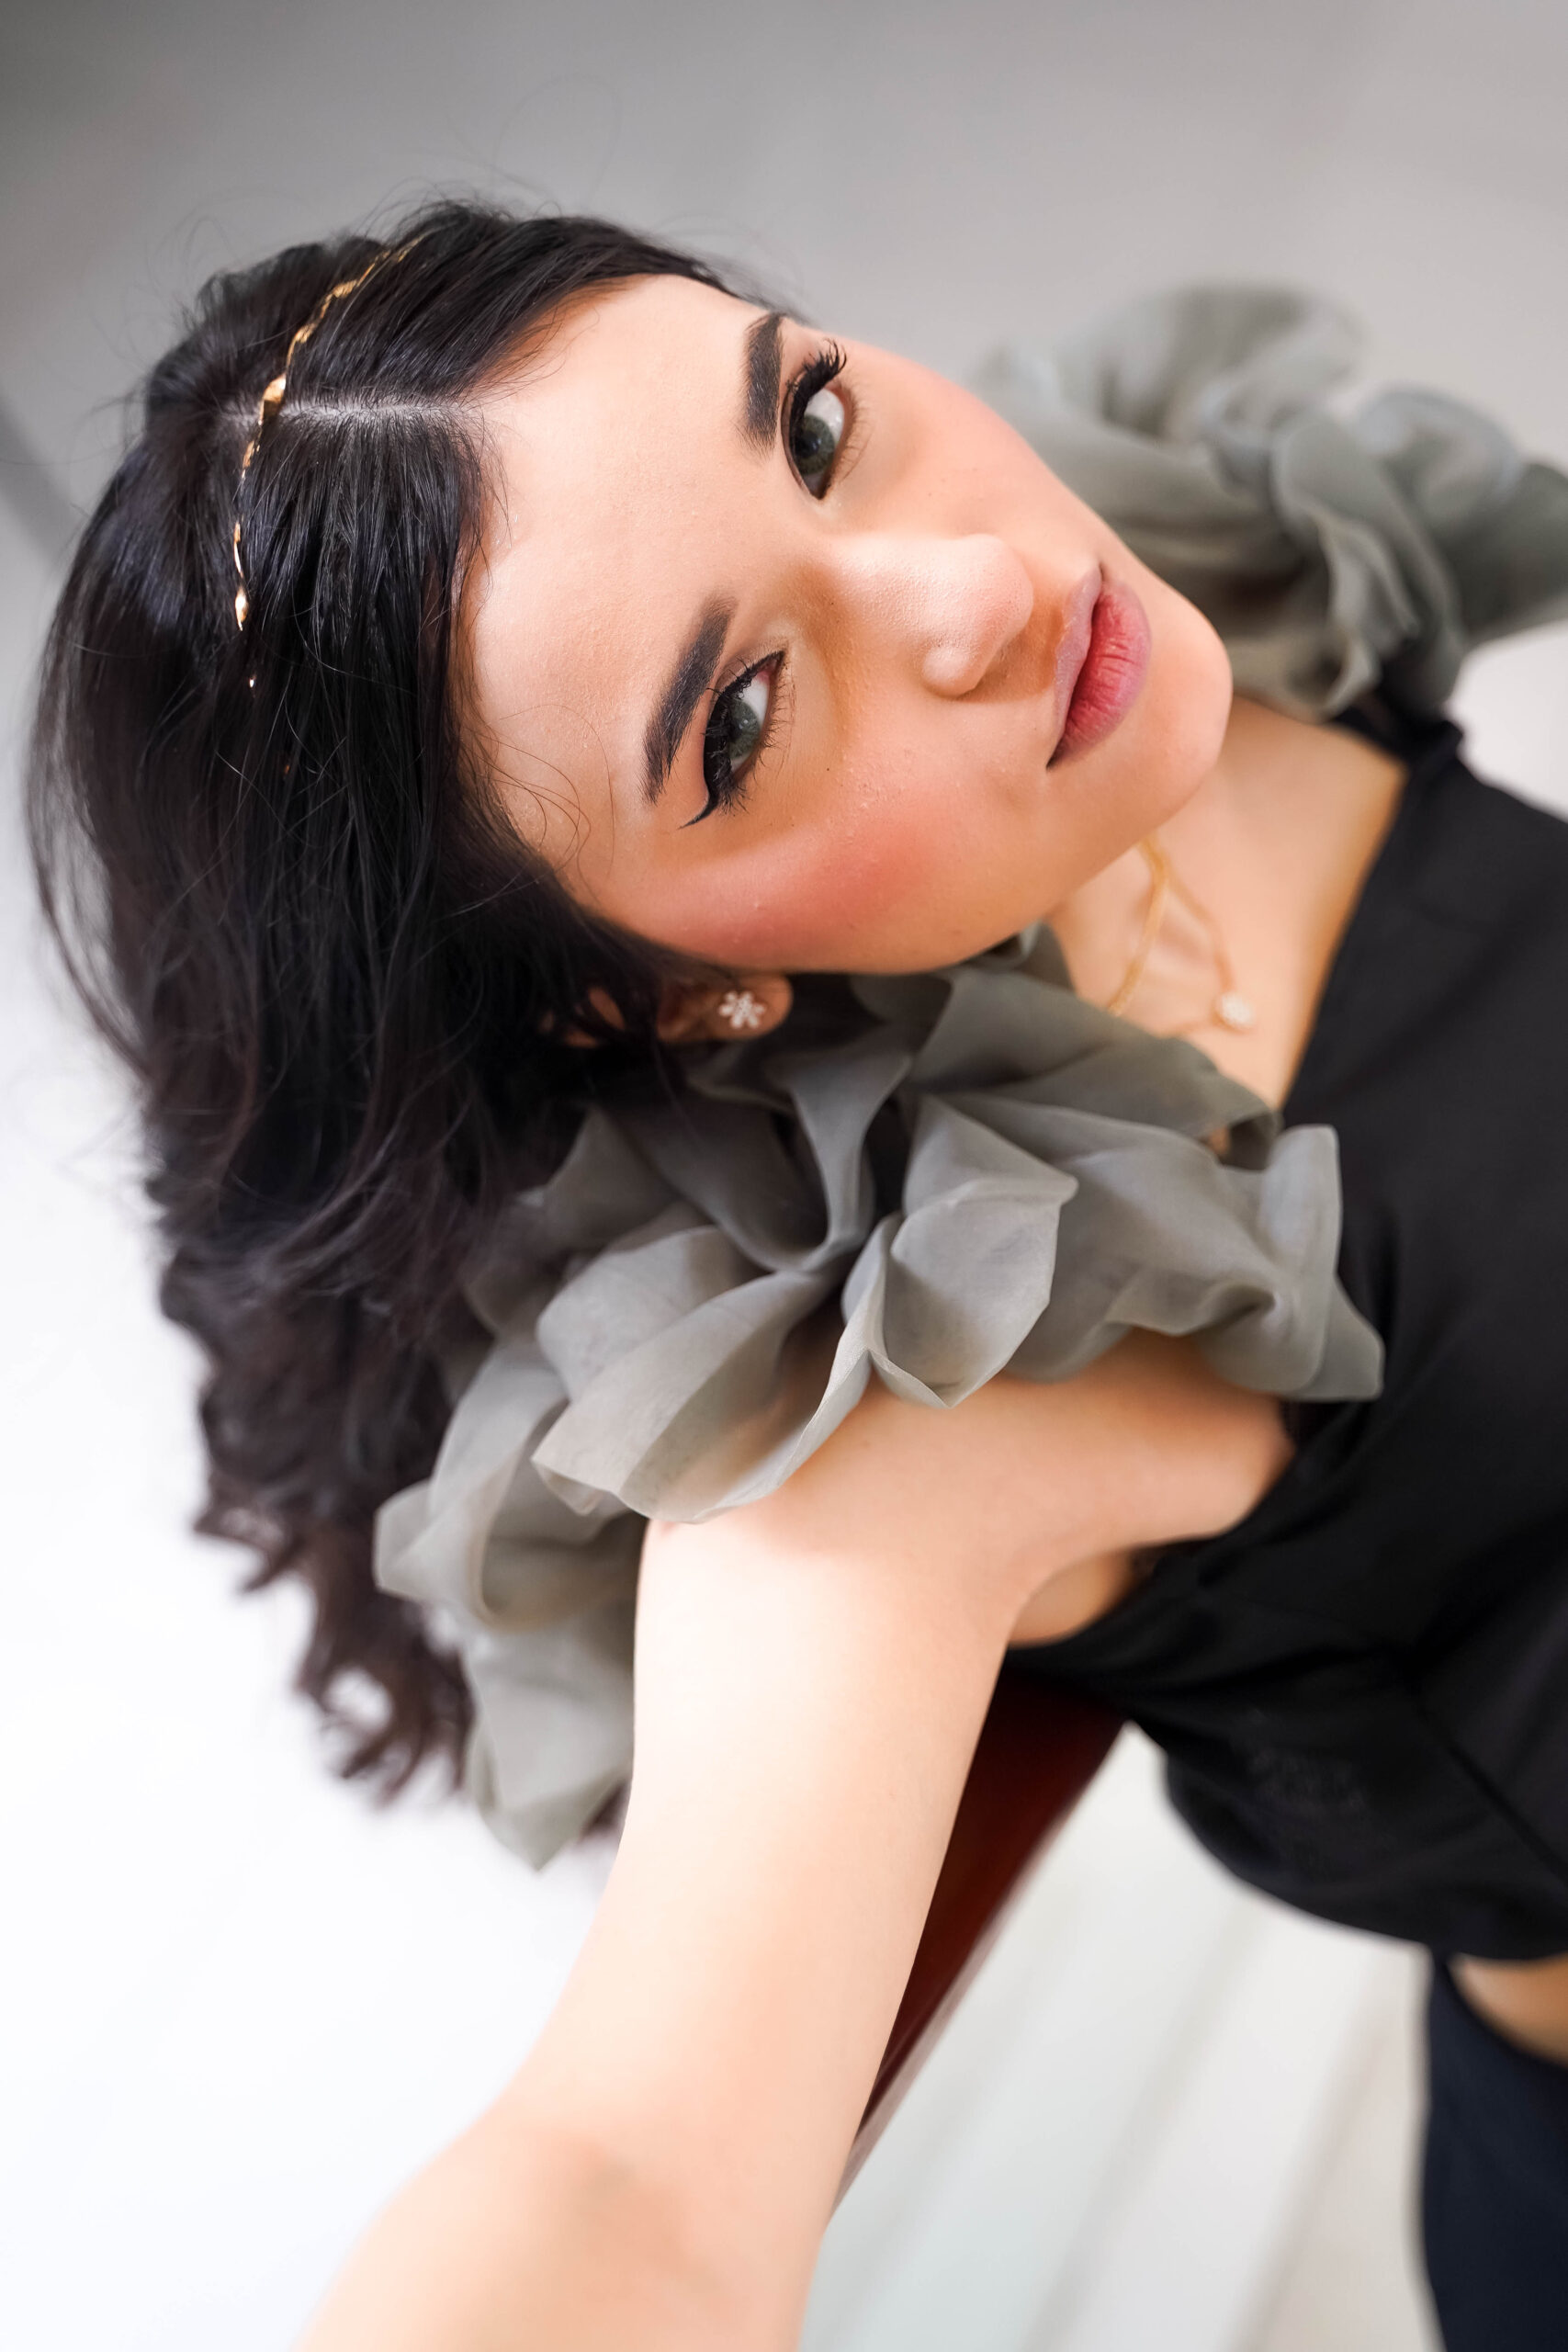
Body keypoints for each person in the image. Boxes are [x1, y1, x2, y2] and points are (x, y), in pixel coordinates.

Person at [28, 200, 1568, 2351]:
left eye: (812, 423)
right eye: (741, 719)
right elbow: (628, 2176)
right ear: (642, 994)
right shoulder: (931, 1350)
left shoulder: (1110, 596)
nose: (969, 588)